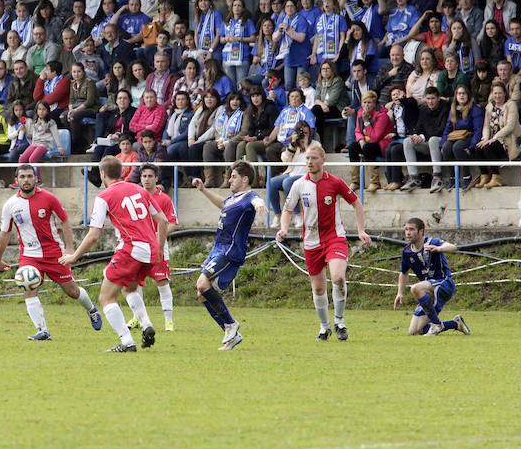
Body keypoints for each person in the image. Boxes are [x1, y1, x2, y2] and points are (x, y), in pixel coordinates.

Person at [59, 155, 168, 353]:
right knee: (129, 289)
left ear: (102, 174)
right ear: (121, 172)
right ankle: (146, 324)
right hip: (150, 250)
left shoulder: (104, 197)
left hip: (132, 248)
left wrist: (74, 256)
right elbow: (163, 219)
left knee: (106, 297)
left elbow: (93, 235)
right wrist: (159, 248)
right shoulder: (139, 189)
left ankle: (127, 342)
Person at [0, 165, 102, 340]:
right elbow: (5, 232)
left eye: (30, 176)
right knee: (29, 288)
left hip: (54, 253)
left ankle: (91, 309)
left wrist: (69, 249)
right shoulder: (10, 205)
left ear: (36, 179)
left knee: (72, 291)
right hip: (29, 255)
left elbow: (65, 221)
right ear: (16, 180)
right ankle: (42, 330)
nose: (26, 180)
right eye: (22, 176)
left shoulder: (49, 198)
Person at [277, 143, 371, 341]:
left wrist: (361, 230)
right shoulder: (299, 184)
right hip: (311, 242)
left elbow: (356, 203)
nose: (309, 162)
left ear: (323, 160)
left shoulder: (335, 182)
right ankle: (324, 326)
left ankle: (340, 322)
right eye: (307, 159)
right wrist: (284, 228)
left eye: (313, 158)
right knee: (318, 288)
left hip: (334, 238)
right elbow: (287, 209)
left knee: (337, 277)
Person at [192, 161, 265, 350]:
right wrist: (203, 190)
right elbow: (222, 204)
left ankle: (231, 325)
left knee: (202, 283)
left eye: (233, 176)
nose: (229, 179)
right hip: (218, 248)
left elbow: (256, 200)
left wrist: (260, 206)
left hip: (230, 250)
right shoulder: (233, 199)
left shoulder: (249, 196)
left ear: (245, 179)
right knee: (201, 294)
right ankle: (231, 334)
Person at [395, 218, 470, 337]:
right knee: (415, 330)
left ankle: (437, 324)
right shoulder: (407, 252)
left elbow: (453, 247)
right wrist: (400, 293)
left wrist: (439, 249)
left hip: (444, 283)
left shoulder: (432, 242)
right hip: (428, 289)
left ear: (421, 231)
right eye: (406, 229)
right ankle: (455, 324)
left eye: (412, 229)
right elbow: (403, 273)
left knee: (415, 288)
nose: (408, 232)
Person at [126, 164, 178, 332]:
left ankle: (168, 322)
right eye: (144, 176)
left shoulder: (164, 199)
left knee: (162, 282)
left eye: (150, 176)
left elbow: (172, 223)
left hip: (158, 247)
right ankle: (137, 318)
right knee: (135, 284)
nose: (146, 179)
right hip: (139, 247)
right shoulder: (134, 198)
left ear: (156, 178)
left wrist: (157, 238)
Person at [400, 86, 451, 192]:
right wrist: (415, 135)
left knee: (432, 140)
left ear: (438, 98)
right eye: (428, 99)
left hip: (441, 141)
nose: (430, 101)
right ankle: (414, 178)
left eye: (433, 98)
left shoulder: (446, 108)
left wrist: (422, 137)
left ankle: (437, 177)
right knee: (407, 142)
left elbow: (441, 130)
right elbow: (418, 127)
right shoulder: (423, 109)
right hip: (427, 142)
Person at [473, 80, 521, 188]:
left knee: (488, 147)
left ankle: (496, 177)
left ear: (505, 93)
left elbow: (510, 127)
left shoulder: (511, 105)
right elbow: (486, 126)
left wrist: (494, 138)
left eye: (500, 93)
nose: (497, 95)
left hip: (507, 141)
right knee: (479, 147)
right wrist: (485, 138)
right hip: (493, 139)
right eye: (495, 93)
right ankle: (484, 175)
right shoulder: (489, 107)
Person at [440, 85, 484, 189]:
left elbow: (478, 130)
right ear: (456, 96)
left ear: (468, 95)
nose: (461, 96)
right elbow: (448, 128)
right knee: (446, 147)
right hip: (456, 136)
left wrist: (472, 146)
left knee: (457, 147)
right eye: (459, 93)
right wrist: (442, 144)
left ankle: (466, 176)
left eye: (463, 93)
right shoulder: (453, 110)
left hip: (470, 136)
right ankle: (452, 178)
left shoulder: (475, 109)